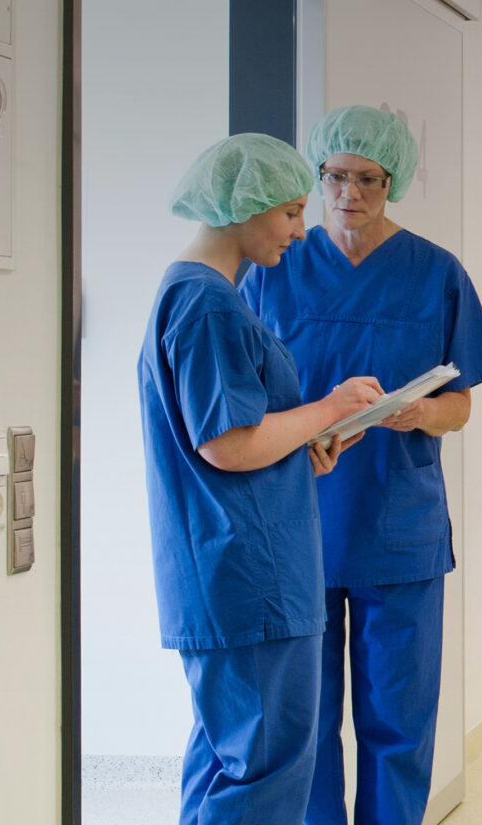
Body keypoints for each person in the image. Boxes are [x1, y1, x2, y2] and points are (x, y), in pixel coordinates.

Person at [238, 106, 482, 825]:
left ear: (394, 182)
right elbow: (244, 409)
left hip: (398, 525)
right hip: (299, 520)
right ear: (316, 178)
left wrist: (424, 413)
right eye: (334, 177)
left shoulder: (435, 272)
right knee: (308, 724)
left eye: (367, 179)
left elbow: (462, 406)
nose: (348, 192)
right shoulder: (275, 270)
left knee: (399, 722)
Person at [140, 133, 383, 825]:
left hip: (234, 569)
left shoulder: (199, 294)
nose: (299, 232)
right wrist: (329, 407)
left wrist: (305, 441)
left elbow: (234, 436)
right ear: (241, 206)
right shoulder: (207, 303)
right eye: (289, 212)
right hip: (247, 576)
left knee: (227, 757)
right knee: (265, 767)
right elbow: (223, 443)